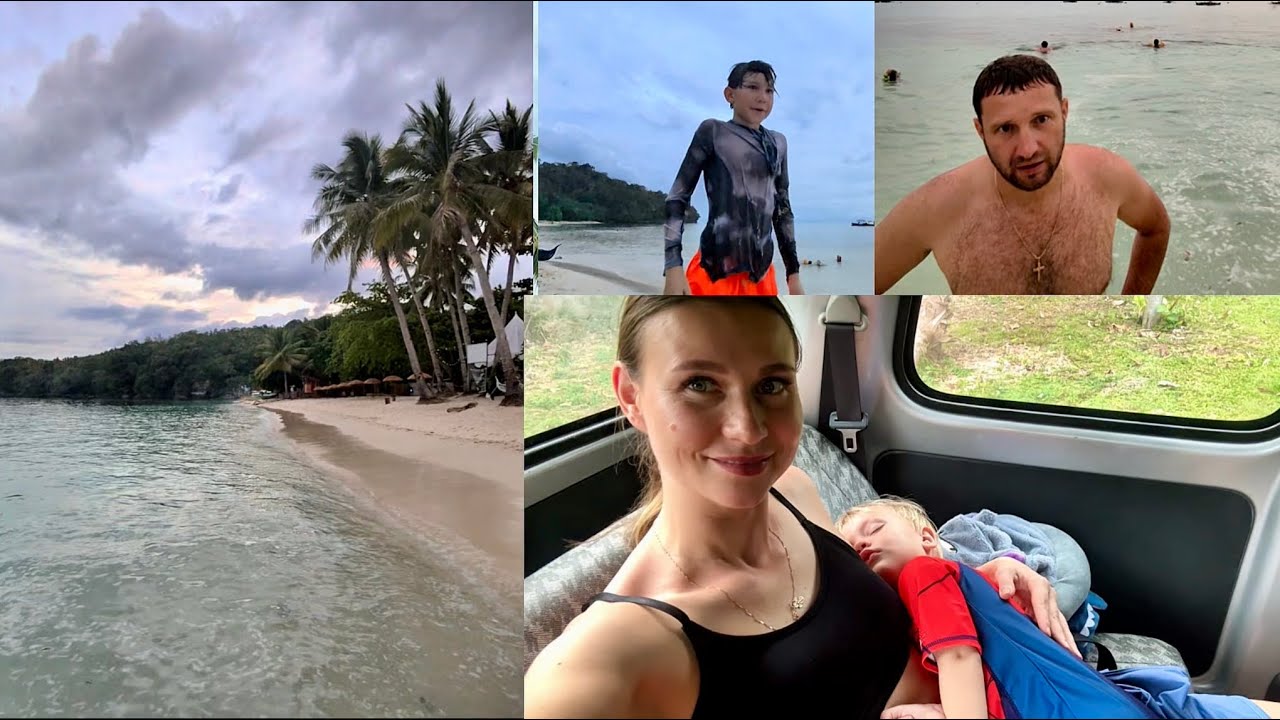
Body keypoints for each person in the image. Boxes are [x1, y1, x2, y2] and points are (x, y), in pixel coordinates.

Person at [523, 297, 1080, 719]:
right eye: (699, 384)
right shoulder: (600, 666)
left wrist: (980, 581)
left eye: (771, 384)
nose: (747, 430)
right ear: (630, 396)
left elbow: (868, 613)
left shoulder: (795, 490)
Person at [838, 496, 1280, 720]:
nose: (863, 542)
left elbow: (959, 659)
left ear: (928, 541)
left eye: (874, 528)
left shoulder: (925, 576)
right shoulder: (931, 607)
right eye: (850, 546)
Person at [875, 53, 1171, 295]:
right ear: (980, 131)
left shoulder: (1108, 176)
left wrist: (1129, 307)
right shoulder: (938, 206)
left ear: (1064, 111)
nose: (1028, 149)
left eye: (1041, 120)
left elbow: (1156, 228)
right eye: (1005, 129)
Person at [662, 61, 803, 297]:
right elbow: (677, 198)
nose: (762, 97)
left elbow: (783, 210)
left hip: (761, 276)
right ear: (730, 94)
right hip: (714, 272)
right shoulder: (713, 132)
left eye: (769, 91)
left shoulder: (778, 143)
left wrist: (794, 276)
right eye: (752, 87)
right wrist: (673, 266)